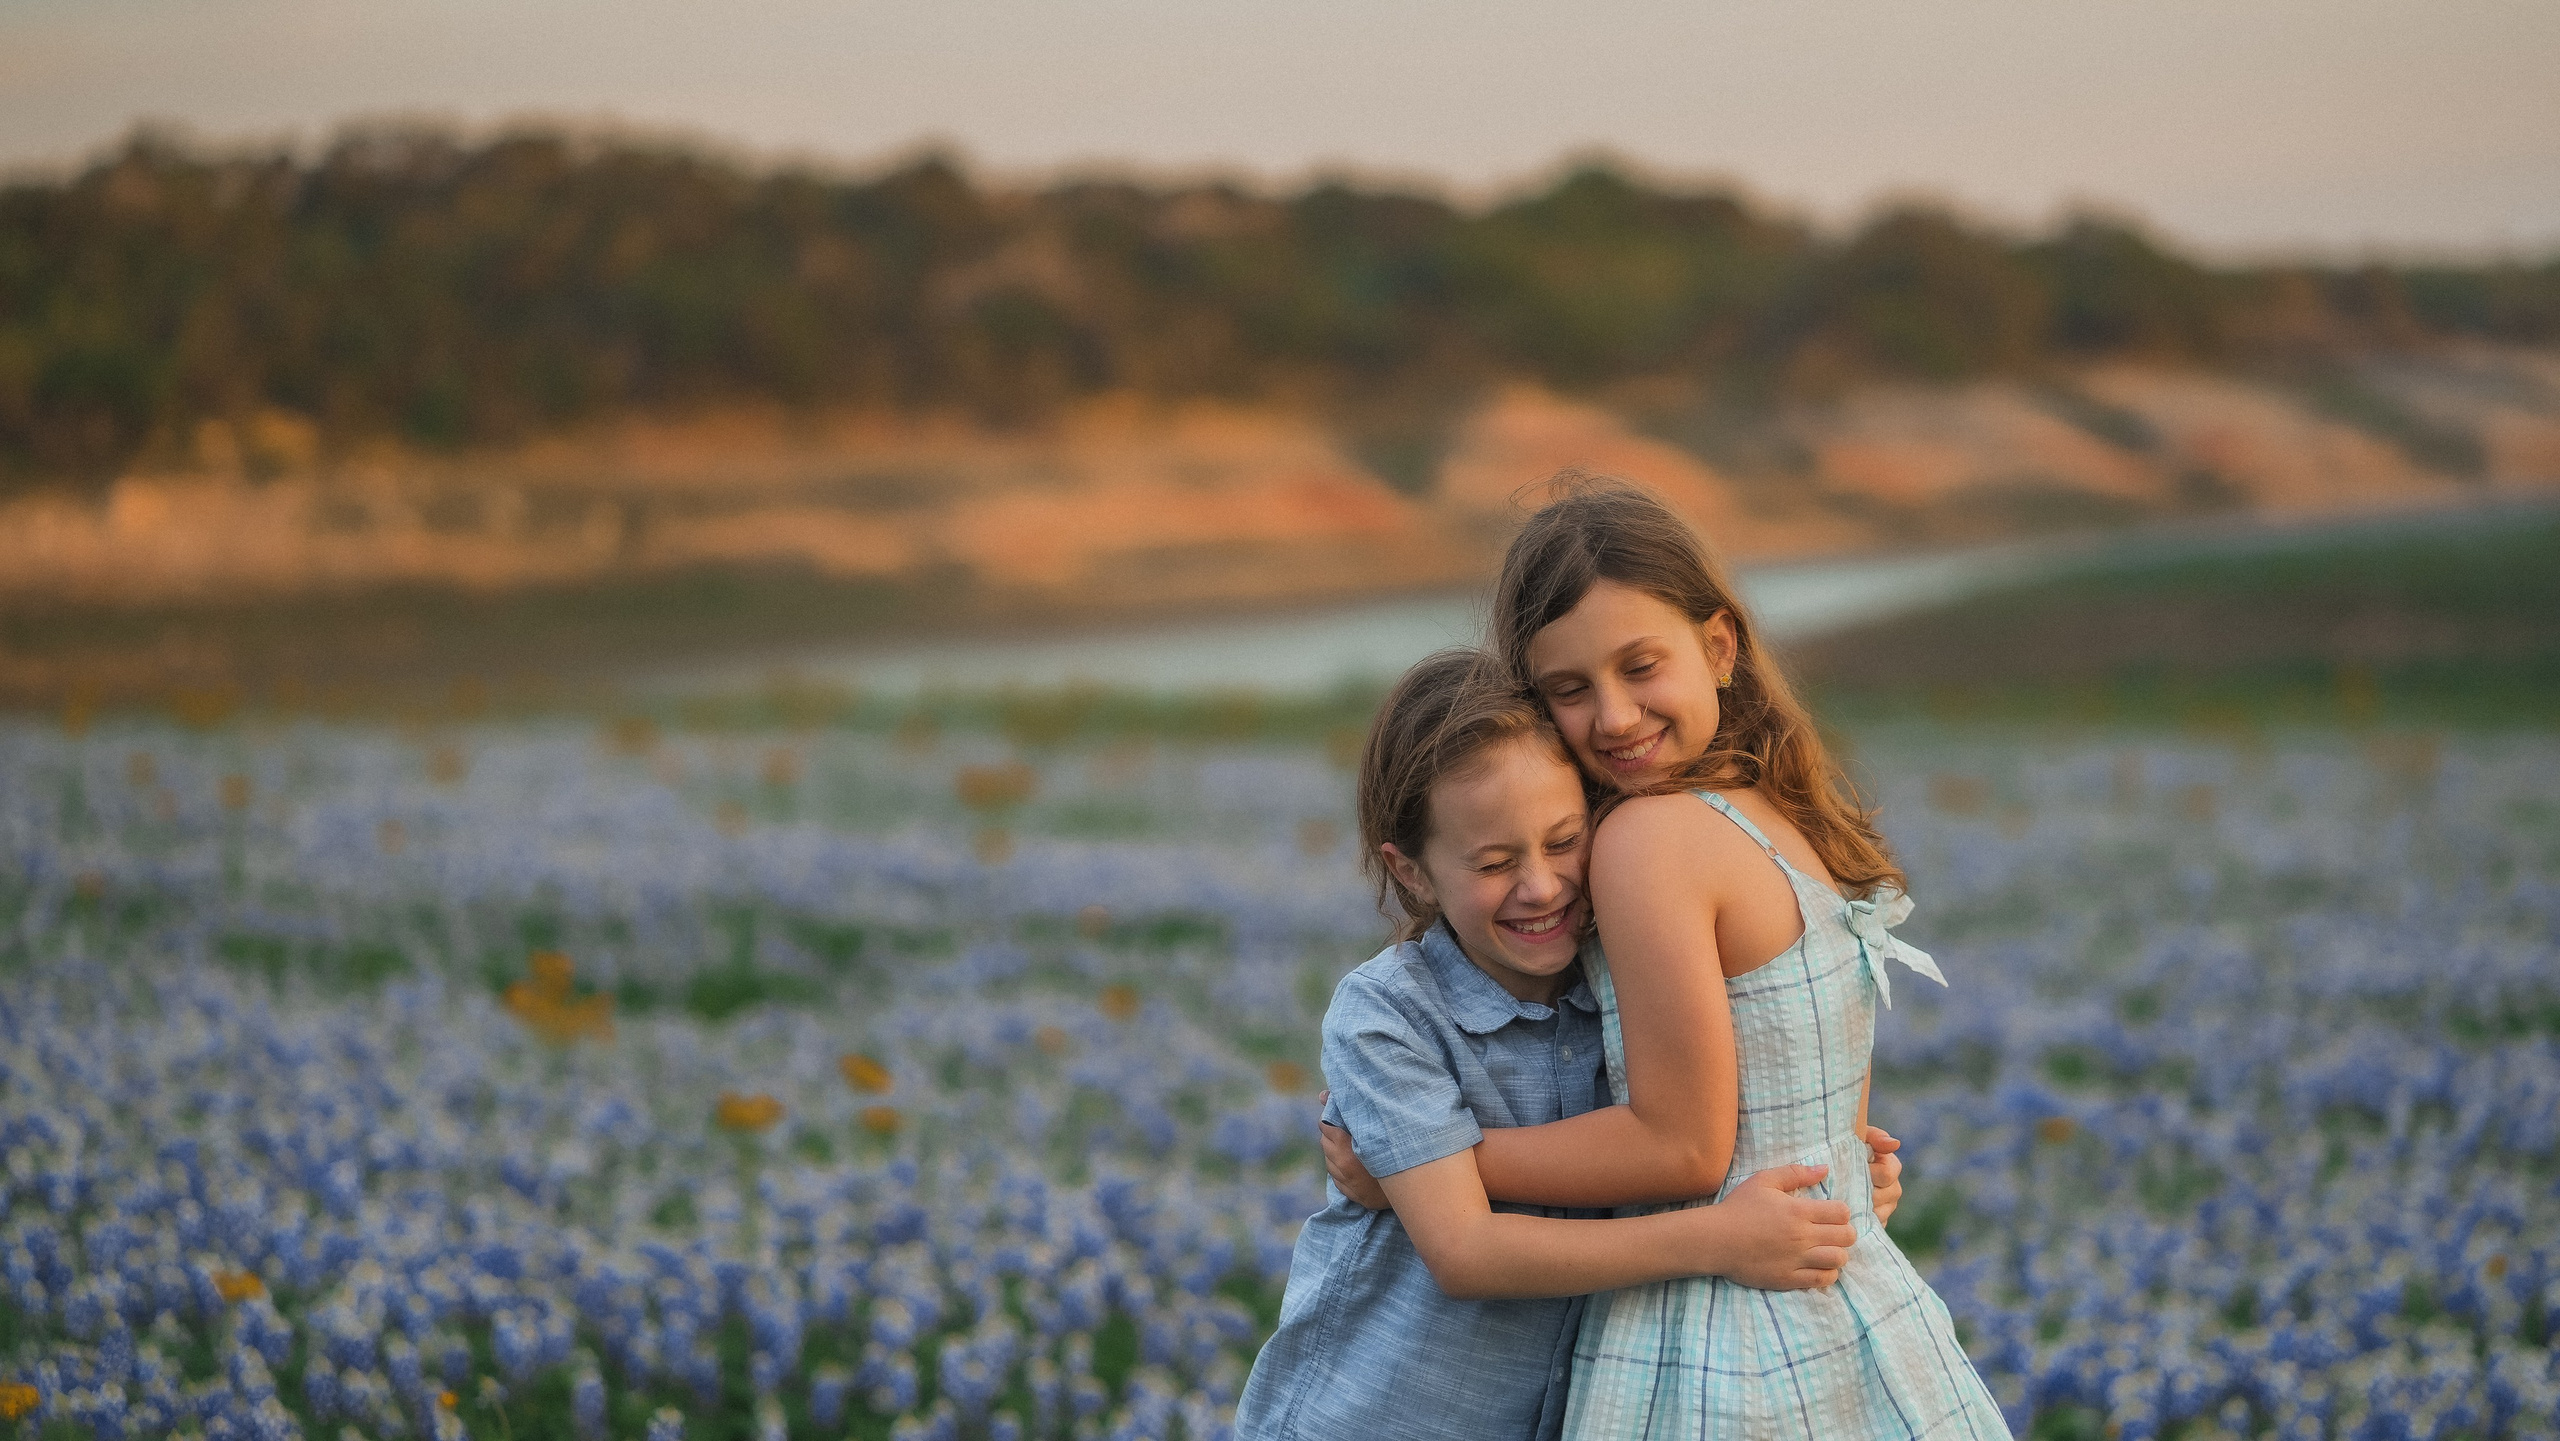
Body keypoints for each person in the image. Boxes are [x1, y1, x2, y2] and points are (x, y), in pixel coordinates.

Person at [1327, 477, 2007, 1437]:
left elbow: (1682, 1144)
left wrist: (1436, 1166)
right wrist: (1851, 1171)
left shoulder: (1648, 840)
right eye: (1569, 690)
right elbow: (1822, 1119)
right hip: (1845, 1300)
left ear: (1719, 646)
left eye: (1640, 665)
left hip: (1715, 1330)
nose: (1612, 716)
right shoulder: (1782, 816)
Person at [1232, 648, 1868, 1441]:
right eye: (1495, 863)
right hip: (1366, 1416)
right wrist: (1719, 1241)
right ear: (1415, 872)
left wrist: (1834, 1165)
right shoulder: (1386, 1014)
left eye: (1565, 840)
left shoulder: (1627, 983)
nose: (1541, 886)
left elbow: (1713, 1124)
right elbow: (1466, 1251)